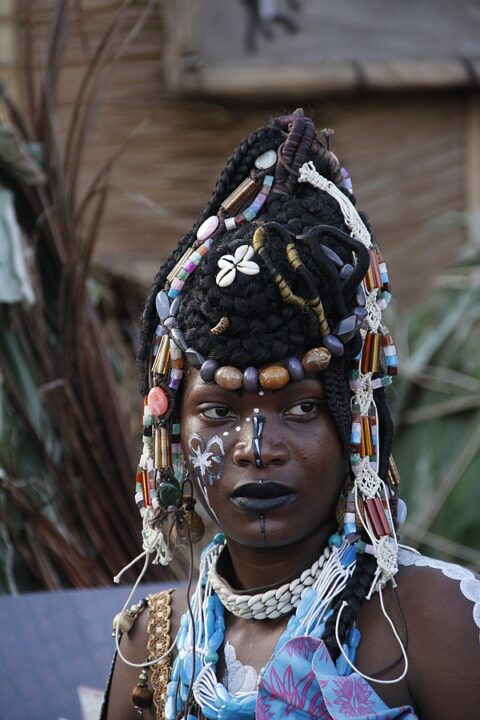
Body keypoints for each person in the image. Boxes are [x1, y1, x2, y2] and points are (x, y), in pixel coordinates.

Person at [102, 110, 480, 720]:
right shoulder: (152, 647)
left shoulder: (433, 622)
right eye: (219, 410)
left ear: (355, 425)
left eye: (301, 406)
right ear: (171, 434)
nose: (257, 447)